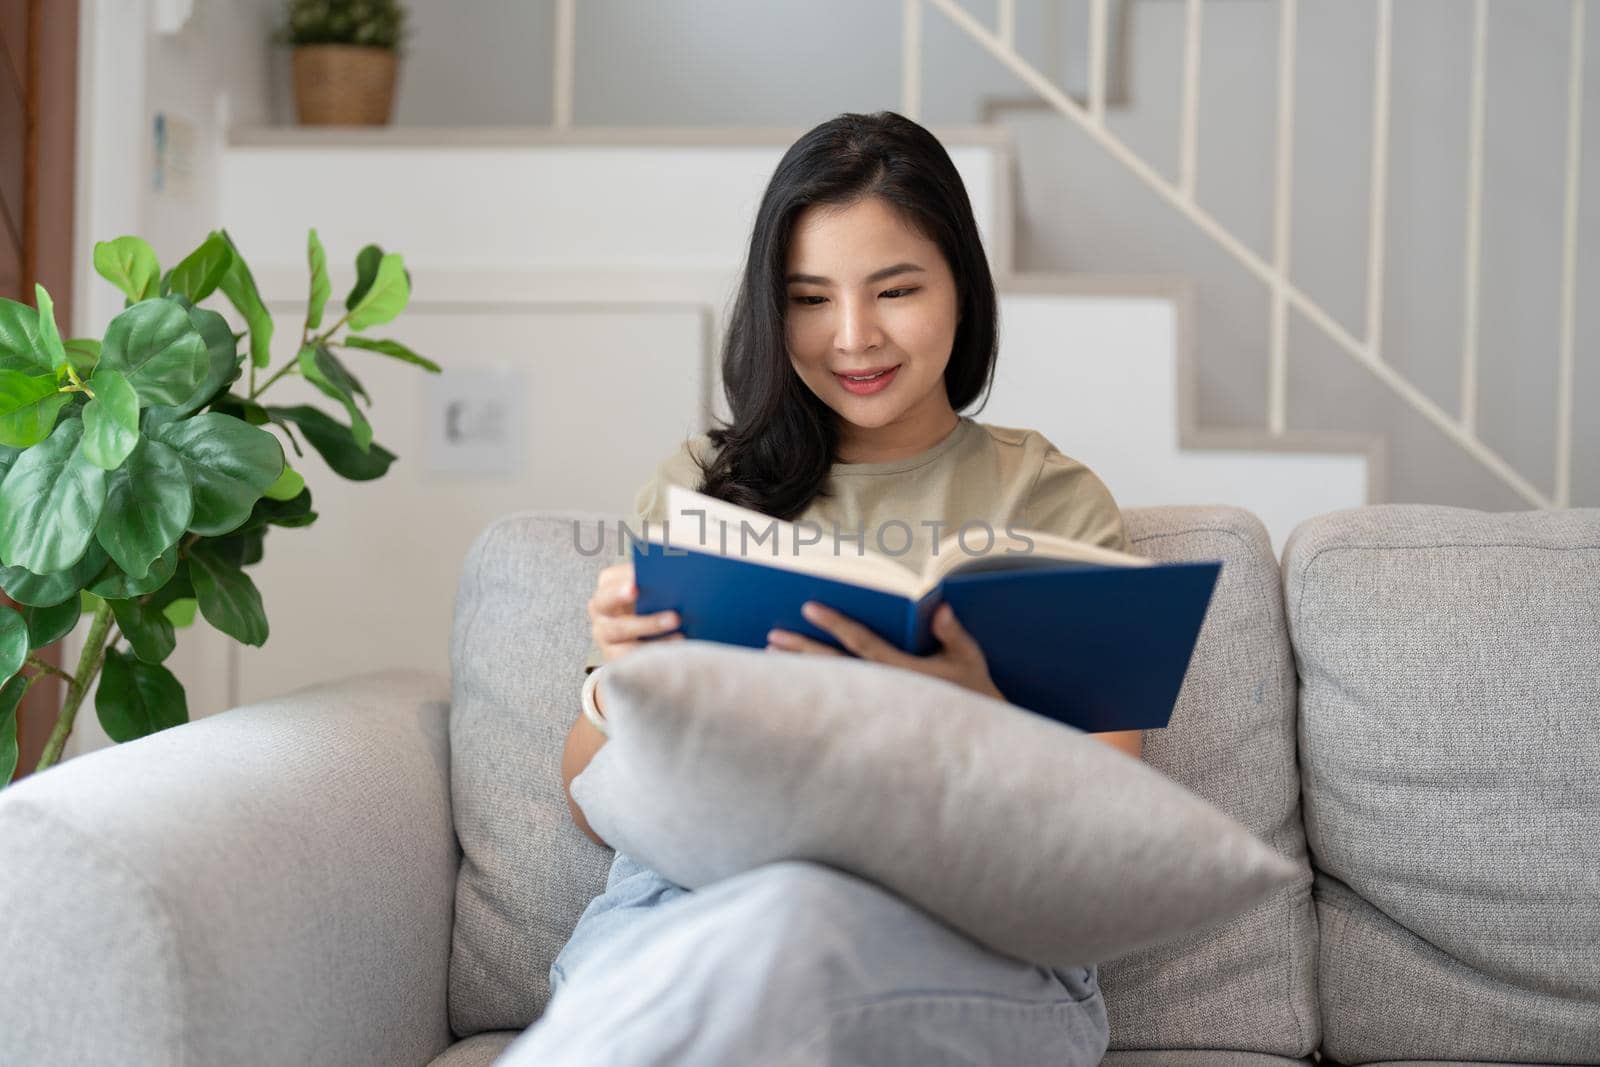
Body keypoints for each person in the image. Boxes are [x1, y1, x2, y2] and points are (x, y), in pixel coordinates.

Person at [500, 111, 1139, 1066]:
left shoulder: (1051, 500)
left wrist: (980, 715)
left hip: (969, 929)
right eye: (809, 297)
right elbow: (595, 803)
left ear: (961, 285)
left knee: (803, 959)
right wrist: (613, 689)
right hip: (692, 904)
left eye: (895, 289)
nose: (852, 337)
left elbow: (1112, 809)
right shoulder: (700, 491)